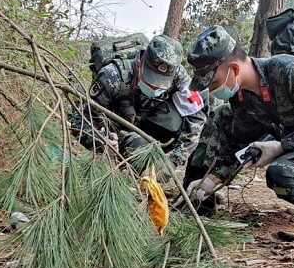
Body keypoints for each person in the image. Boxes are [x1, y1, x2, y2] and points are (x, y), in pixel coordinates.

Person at [183, 25, 294, 232]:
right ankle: (198, 199)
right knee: (221, 115)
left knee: (282, 175)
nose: (210, 90)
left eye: (212, 82)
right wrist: (213, 179)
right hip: (282, 136)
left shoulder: (292, 72)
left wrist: (282, 147)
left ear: (235, 69)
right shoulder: (241, 96)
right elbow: (239, 141)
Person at [71, 35, 206, 172]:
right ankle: (130, 165)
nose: (155, 87)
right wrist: (102, 142)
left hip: (151, 124)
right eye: (151, 80)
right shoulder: (112, 76)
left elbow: (196, 117)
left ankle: (151, 160)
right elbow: (80, 121)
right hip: (119, 131)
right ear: (139, 65)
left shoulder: (179, 75)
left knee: (191, 125)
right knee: (139, 145)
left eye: (162, 84)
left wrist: (174, 160)